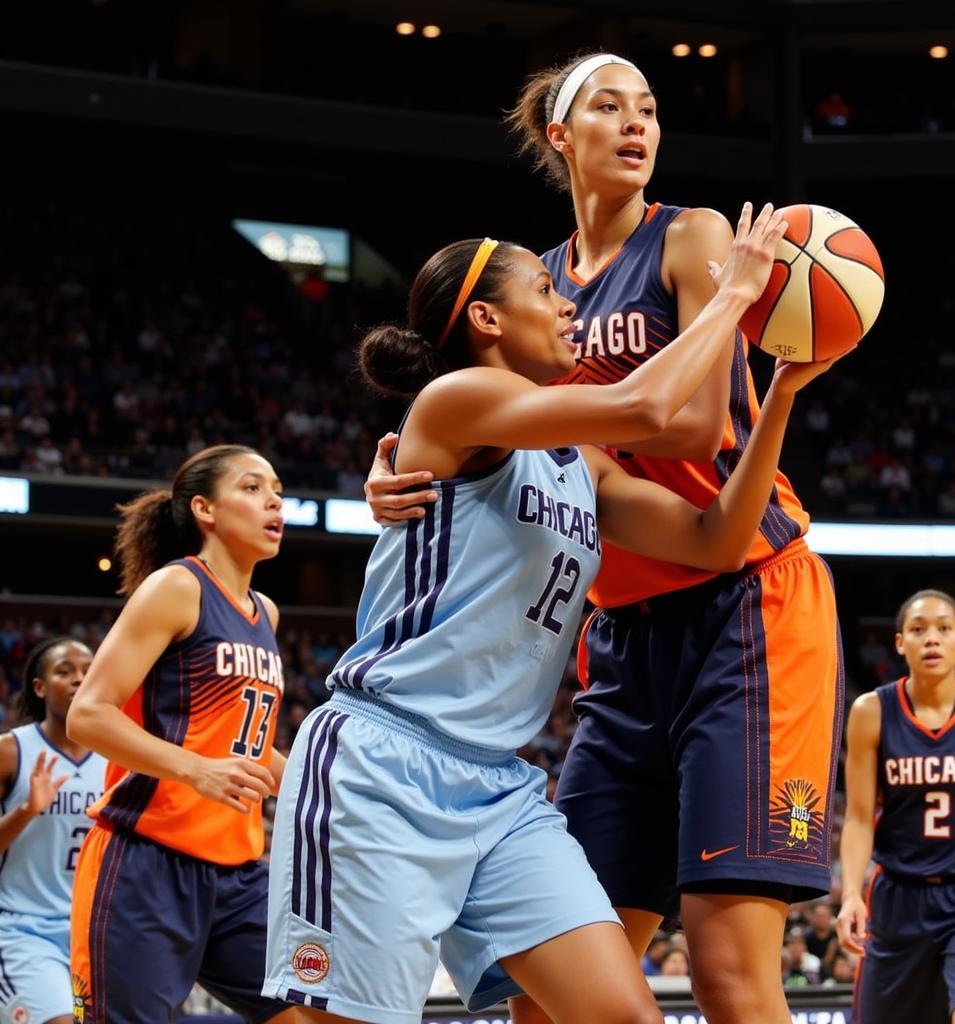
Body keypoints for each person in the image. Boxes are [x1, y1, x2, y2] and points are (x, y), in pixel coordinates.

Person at [264, 208, 836, 1024]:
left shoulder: (581, 462)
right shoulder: (456, 401)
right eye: (545, 288)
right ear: (488, 320)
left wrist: (777, 392)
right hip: (384, 767)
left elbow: (716, 541)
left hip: (498, 785)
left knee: (621, 1016)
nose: (569, 304)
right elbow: (646, 407)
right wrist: (732, 299)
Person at [366, 52, 845, 1024]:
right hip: (620, 636)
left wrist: (718, 320)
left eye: (650, 110)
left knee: (724, 968)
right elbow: (501, 436)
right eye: (610, 107)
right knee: (549, 997)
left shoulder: (694, 236)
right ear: (560, 135)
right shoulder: (532, 289)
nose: (636, 124)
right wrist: (408, 460)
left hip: (748, 606)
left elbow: (684, 424)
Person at [65, 444, 298, 1024]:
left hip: (239, 873)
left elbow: (246, 747)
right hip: (146, 862)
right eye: (251, 487)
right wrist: (196, 769)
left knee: (317, 1011)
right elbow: (88, 714)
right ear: (204, 509)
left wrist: (319, 785)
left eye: (277, 490)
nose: (273, 500)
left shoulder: (263, 612)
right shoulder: (178, 588)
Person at [837, 590, 955, 1024]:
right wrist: (849, 893)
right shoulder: (871, 711)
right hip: (900, 896)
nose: (932, 639)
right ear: (900, 643)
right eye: (918, 630)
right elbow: (861, 816)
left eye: (943, 628)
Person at [0, 636, 106, 1024]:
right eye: (65, 671)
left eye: (88, 671)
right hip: (23, 929)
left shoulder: (120, 756)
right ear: (39, 687)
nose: (80, 678)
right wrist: (27, 810)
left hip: (95, 934)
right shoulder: (11, 751)